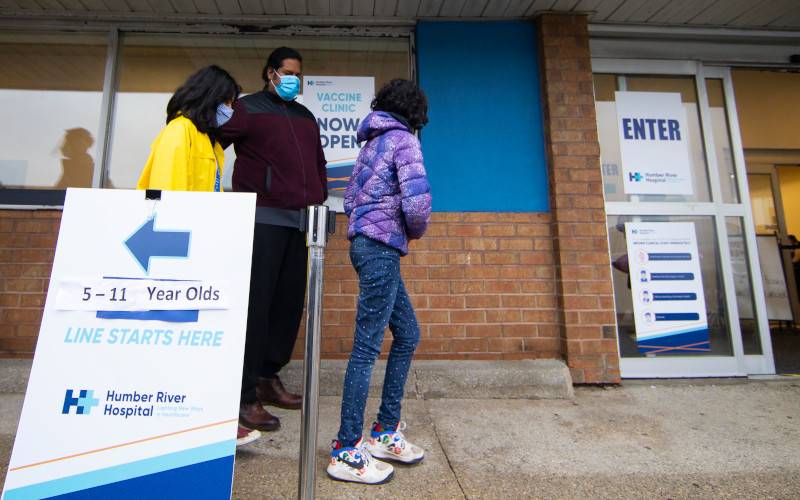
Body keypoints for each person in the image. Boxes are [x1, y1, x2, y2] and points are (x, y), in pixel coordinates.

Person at [136, 65, 260, 447]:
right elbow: (170, 202)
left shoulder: (209, 142)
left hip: (203, 251)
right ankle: (184, 426)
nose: (231, 110)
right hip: (178, 257)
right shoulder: (179, 134)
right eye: (227, 102)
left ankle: (208, 422)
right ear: (211, 98)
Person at [327, 79, 431, 485]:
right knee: (367, 346)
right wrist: (412, 230)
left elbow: (350, 201)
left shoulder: (371, 142)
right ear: (415, 112)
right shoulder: (404, 141)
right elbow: (418, 202)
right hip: (382, 248)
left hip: (367, 246)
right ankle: (347, 448)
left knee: (407, 334)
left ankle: (385, 431)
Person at [218, 47, 328, 433]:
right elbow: (213, 143)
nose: (293, 79)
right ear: (270, 74)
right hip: (261, 220)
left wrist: (318, 199)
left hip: (300, 224)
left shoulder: (305, 116)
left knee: (287, 306)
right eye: (287, 73)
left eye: (299, 73)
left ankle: (268, 377)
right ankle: (244, 394)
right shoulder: (248, 108)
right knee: (257, 306)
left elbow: (318, 163)